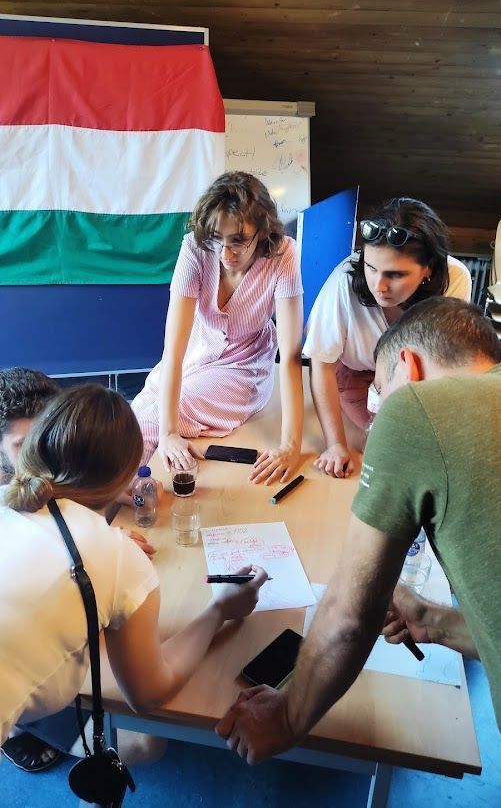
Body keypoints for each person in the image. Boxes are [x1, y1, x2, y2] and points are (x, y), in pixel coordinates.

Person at [216, 298, 501, 761]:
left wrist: (287, 718)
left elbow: (352, 614)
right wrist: (433, 621)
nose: (378, 412)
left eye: (380, 391)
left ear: (409, 367)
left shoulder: (417, 407)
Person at [0, 384, 267, 755]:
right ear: (127, 476)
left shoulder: (10, 501)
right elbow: (149, 695)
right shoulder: (118, 556)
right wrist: (220, 609)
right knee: (147, 744)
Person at [132, 171, 304, 486]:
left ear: (262, 231)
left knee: (155, 419)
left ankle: (113, 489)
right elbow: (173, 352)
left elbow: (292, 356)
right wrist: (169, 434)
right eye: (216, 238)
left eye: (238, 240)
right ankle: (100, 486)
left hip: (243, 366)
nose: (225, 254)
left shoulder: (283, 254)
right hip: (195, 354)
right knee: (138, 412)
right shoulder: (194, 249)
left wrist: (290, 447)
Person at [303, 197, 471, 478]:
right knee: (384, 446)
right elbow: (321, 364)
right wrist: (335, 445)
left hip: (416, 376)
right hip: (355, 375)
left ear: (428, 269)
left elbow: (443, 363)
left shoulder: (455, 278)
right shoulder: (343, 282)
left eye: (395, 274)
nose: (379, 286)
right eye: (371, 268)